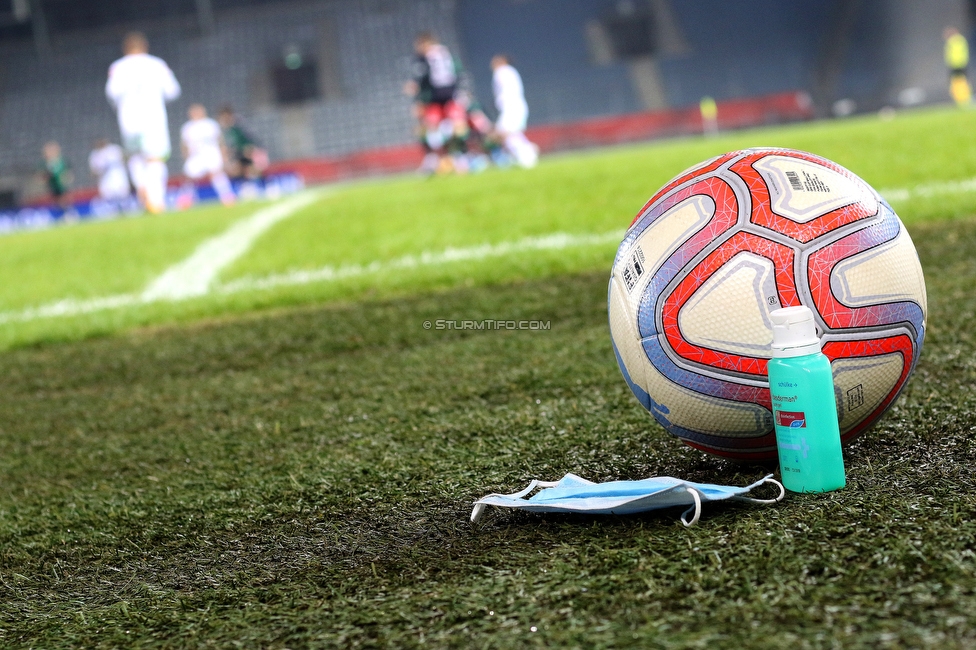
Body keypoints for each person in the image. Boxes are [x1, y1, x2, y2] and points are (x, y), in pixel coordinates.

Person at [106, 31, 181, 213]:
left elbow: (111, 94)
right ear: (145, 47)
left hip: (129, 120)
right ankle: (156, 200)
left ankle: (142, 189)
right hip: (153, 118)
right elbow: (173, 91)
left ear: (125, 49)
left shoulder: (117, 67)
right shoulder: (157, 64)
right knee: (155, 158)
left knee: (136, 157)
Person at [405, 32, 468, 174]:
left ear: (425, 44)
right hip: (452, 95)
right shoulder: (447, 54)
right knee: (457, 128)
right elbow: (458, 73)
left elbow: (422, 78)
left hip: (435, 98)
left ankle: (436, 159)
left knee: (429, 127)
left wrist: (417, 95)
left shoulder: (425, 58)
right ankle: (459, 159)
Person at [180, 104, 236, 207]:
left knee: (216, 174)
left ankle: (227, 196)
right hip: (196, 156)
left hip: (211, 153)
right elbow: (184, 144)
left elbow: (220, 140)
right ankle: (186, 199)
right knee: (190, 177)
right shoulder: (187, 127)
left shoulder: (211, 124)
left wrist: (224, 155)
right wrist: (186, 155)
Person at [491, 54, 538, 168]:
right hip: (514, 107)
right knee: (510, 134)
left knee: (504, 133)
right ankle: (523, 153)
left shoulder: (502, 72)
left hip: (511, 107)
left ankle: (527, 152)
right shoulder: (511, 71)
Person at [217, 106, 268, 181]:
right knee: (236, 170)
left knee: (254, 168)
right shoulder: (224, 130)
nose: (224, 119)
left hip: (249, 150)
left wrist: (252, 149)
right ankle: (244, 184)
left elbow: (251, 138)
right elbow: (226, 145)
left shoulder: (240, 125)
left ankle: (264, 183)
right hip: (238, 153)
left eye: (226, 116)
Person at [40, 141, 73, 210]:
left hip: (61, 184)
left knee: (64, 199)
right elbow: (42, 176)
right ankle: (64, 212)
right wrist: (47, 176)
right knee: (56, 201)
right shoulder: (45, 163)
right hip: (52, 185)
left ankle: (68, 212)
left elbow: (67, 172)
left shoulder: (61, 161)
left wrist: (67, 178)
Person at [944, 27, 972, 106]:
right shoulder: (960, 40)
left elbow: (953, 54)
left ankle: (963, 98)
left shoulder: (954, 41)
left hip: (957, 64)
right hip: (959, 64)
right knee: (960, 81)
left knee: (958, 82)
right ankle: (962, 98)